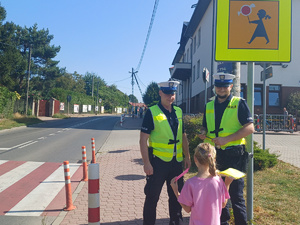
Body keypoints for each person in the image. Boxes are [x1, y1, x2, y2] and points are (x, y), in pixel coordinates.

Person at [198, 73, 254, 225]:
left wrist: (226, 139)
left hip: (234, 155)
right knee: (217, 192)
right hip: (215, 156)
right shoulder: (209, 105)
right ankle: (223, 222)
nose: (221, 89)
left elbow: (250, 128)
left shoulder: (239, 103)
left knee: (235, 195)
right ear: (214, 87)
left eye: (225, 86)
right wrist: (203, 133)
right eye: (218, 86)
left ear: (231, 86)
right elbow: (205, 126)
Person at [140, 80, 191, 225]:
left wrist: (187, 156)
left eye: (173, 94)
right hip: (158, 163)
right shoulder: (152, 112)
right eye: (168, 94)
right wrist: (146, 163)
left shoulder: (179, 111)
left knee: (176, 197)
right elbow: (143, 140)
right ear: (160, 93)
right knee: (152, 197)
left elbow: (183, 135)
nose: (170, 97)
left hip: (176, 163)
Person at [170, 143, 234, 225]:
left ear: (195, 159)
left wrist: (176, 192)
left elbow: (187, 209)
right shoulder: (218, 181)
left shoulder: (190, 183)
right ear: (213, 159)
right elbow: (223, 204)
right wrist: (227, 184)